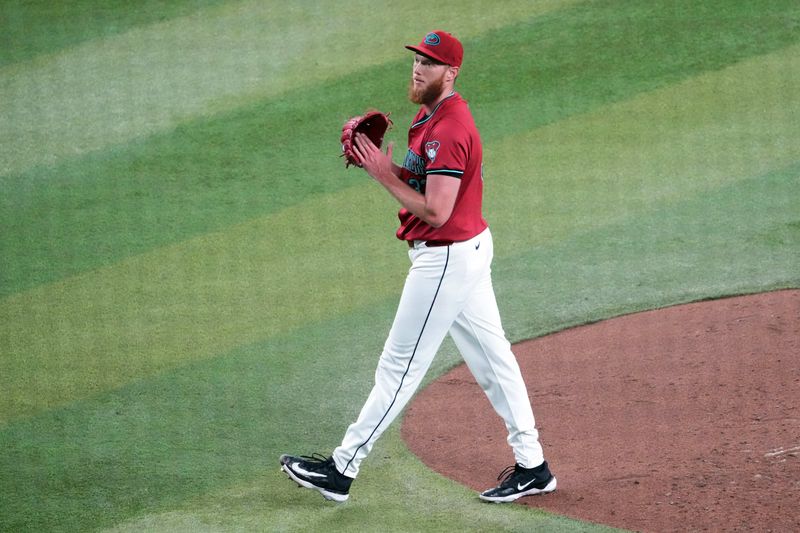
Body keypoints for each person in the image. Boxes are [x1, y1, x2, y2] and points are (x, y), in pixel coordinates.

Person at [280, 30, 556, 504]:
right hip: (465, 250)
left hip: (446, 257)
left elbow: (437, 211)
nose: (418, 67)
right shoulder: (430, 116)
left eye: (430, 62)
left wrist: (385, 176)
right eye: (417, 59)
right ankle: (533, 467)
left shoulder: (449, 128)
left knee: (399, 367)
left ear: (451, 73)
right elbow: (430, 184)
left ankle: (341, 470)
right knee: (494, 361)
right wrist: (393, 169)